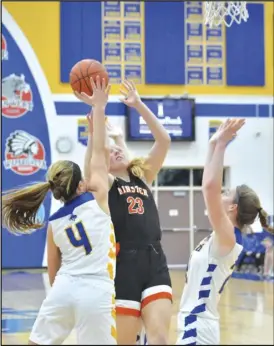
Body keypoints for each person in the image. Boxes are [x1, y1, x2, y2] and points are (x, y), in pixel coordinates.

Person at [2, 76, 117, 345]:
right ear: (80, 185)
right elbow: (99, 155)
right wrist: (99, 109)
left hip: (64, 288)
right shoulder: (98, 199)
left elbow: (53, 275)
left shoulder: (55, 222)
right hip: (96, 290)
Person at [76, 79, 172, 345]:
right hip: (123, 264)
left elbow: (163, 140)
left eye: (120, 147)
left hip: (155, 260)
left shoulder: (143, 178)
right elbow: (98, 151)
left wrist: (138, 105)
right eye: (111, 150)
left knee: (161, 339)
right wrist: (98, 112)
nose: (116, 149)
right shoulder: (106, 184)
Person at [176, 118, 274, 345]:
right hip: (195, 323)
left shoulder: (228, 237)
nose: (221, 192)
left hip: (197, 327)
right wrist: (212, 144)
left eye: (227, 192)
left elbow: (209, 187)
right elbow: (208, 186)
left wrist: (221, 145)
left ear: (233, 208)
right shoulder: (224, 234)